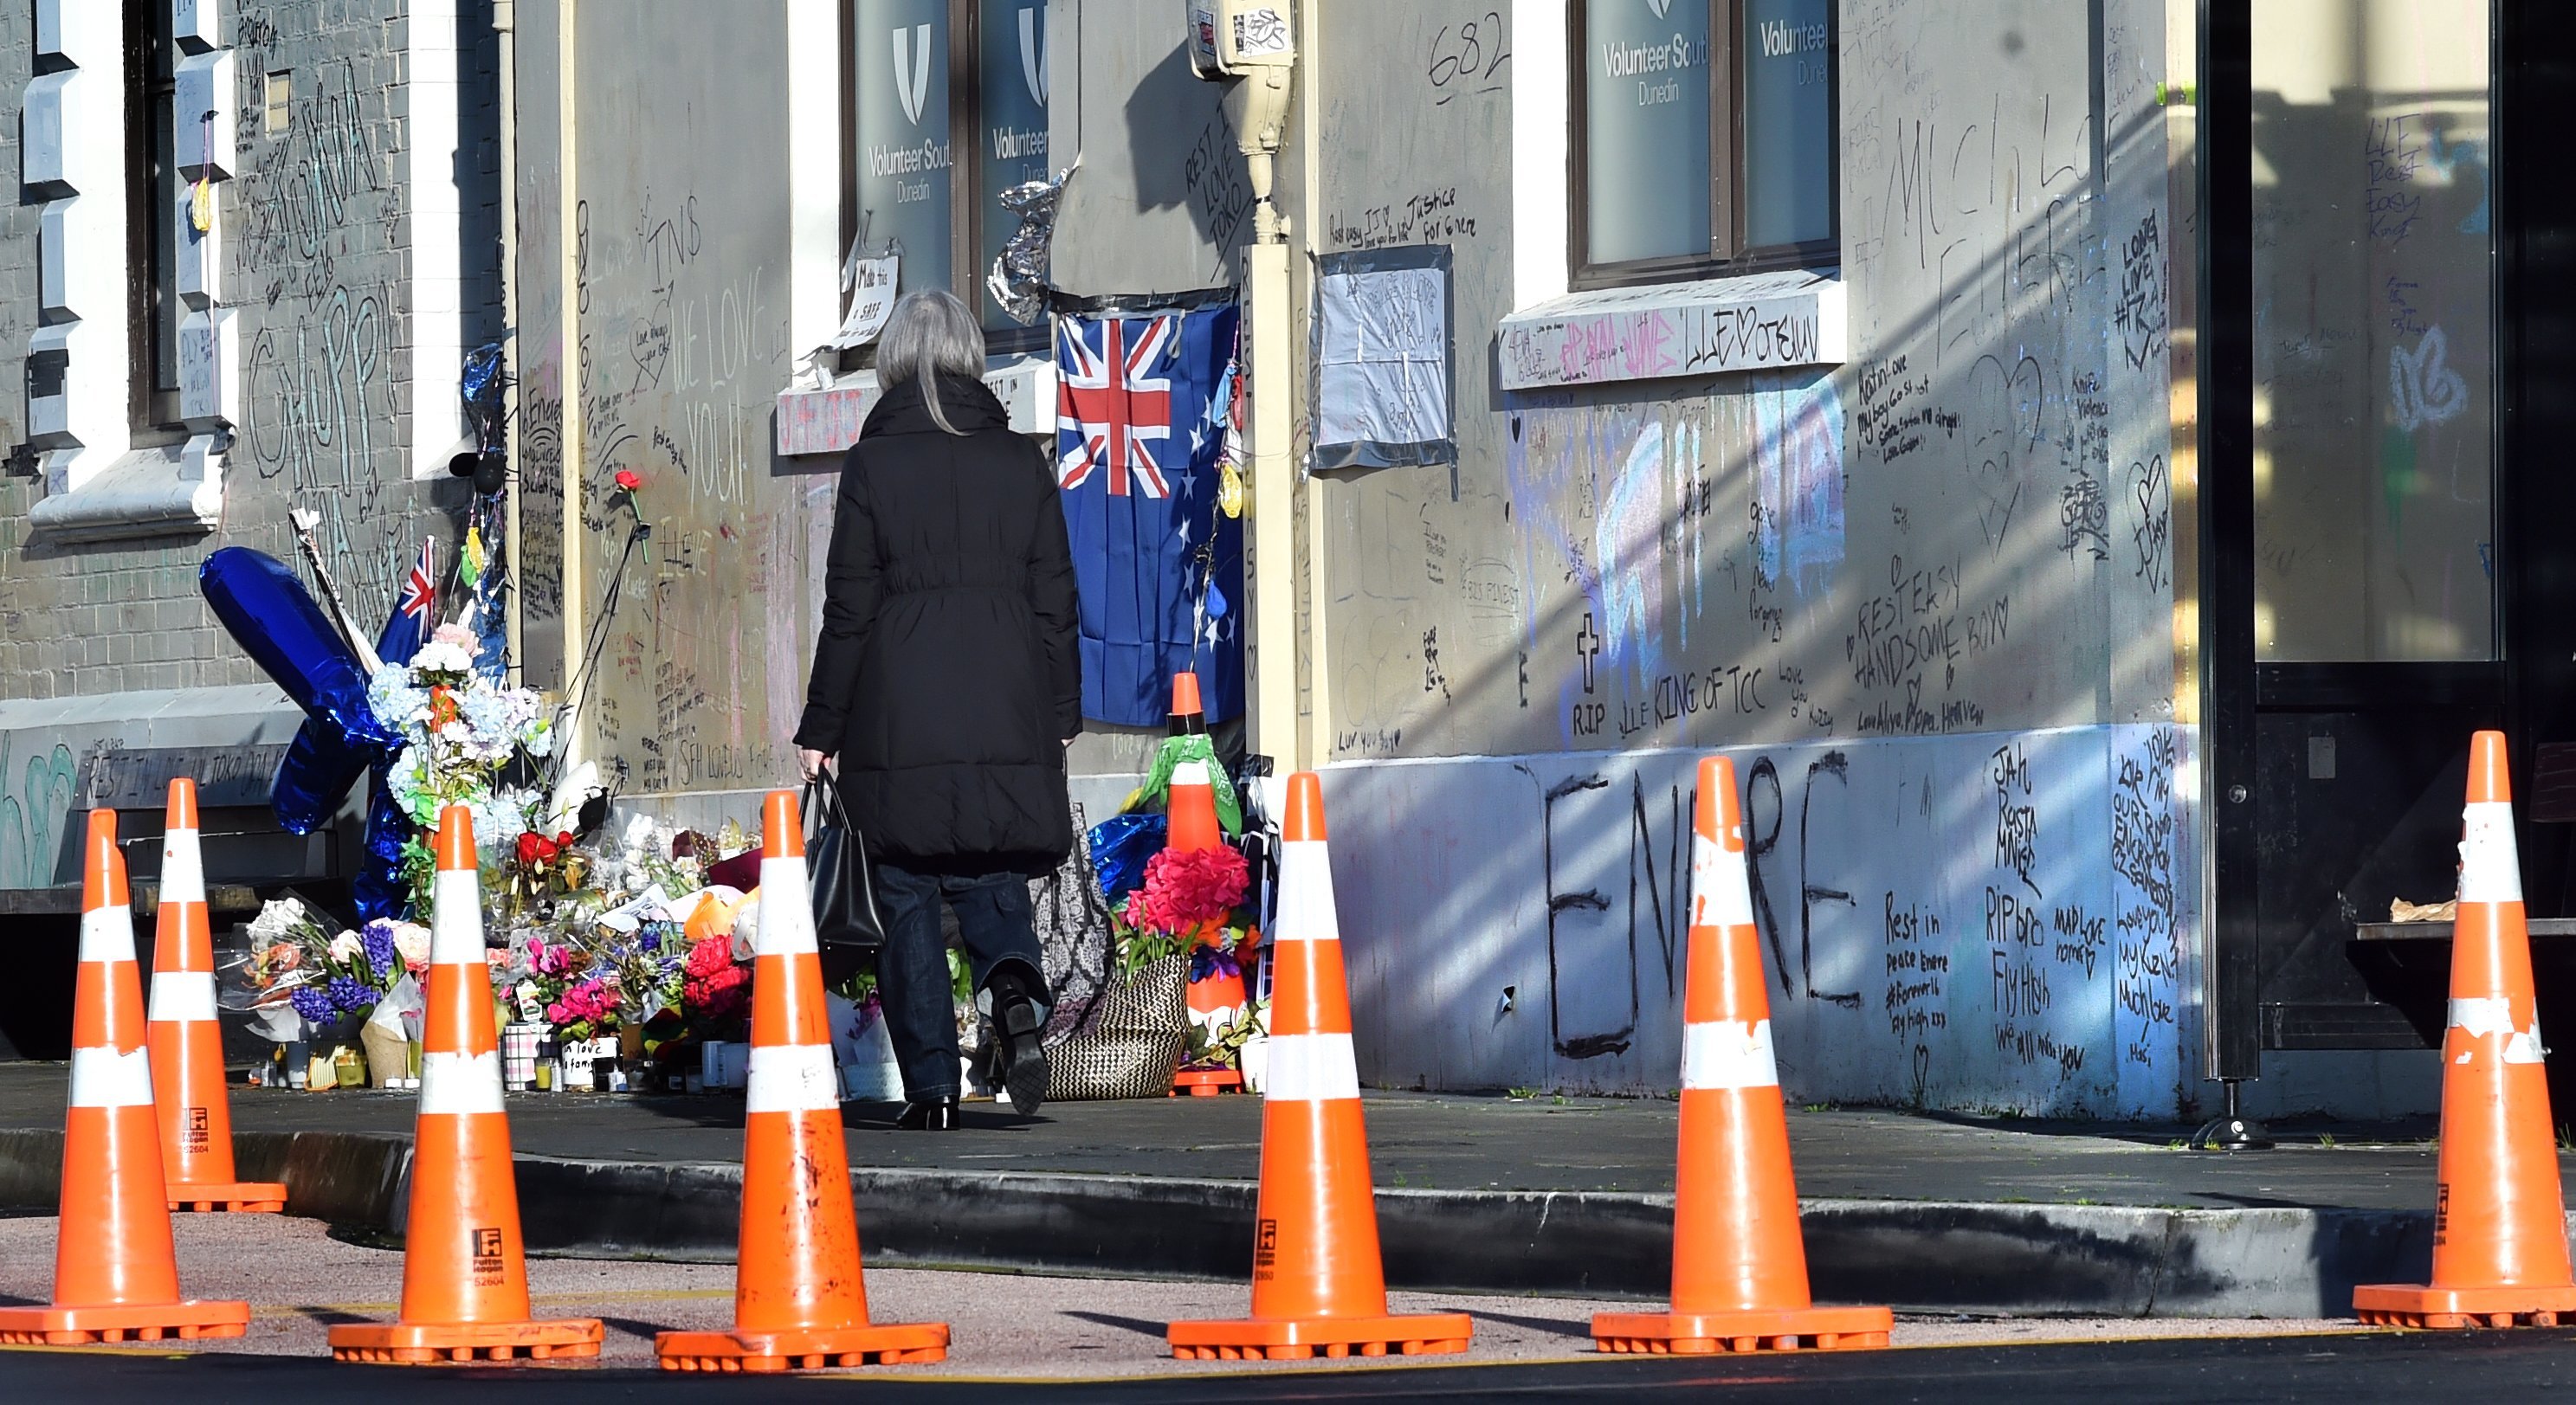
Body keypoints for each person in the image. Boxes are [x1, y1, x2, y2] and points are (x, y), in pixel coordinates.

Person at [795, 289, 1078, 1130]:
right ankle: (1015, 994)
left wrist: (822, 730)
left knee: (907, 889)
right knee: (990, 864)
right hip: (1004, 704)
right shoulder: (1019, 462)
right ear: (969, 358)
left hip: (896, 716)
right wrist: (1060, 709)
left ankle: (931, 1091)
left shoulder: (873, 467)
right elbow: (1053, 600)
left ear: (889, 363)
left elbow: (847, 610)